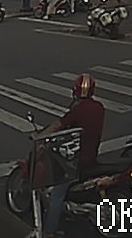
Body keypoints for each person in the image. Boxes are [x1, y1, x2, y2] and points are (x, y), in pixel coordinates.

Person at [39, 73, 105, 237]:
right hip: (92, 156)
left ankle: (49, 232)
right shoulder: (99, 107)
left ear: (75, 90)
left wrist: (40, 137)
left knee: (57, 194)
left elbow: (57, 126)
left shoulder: (77, 111)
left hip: (77, 161)